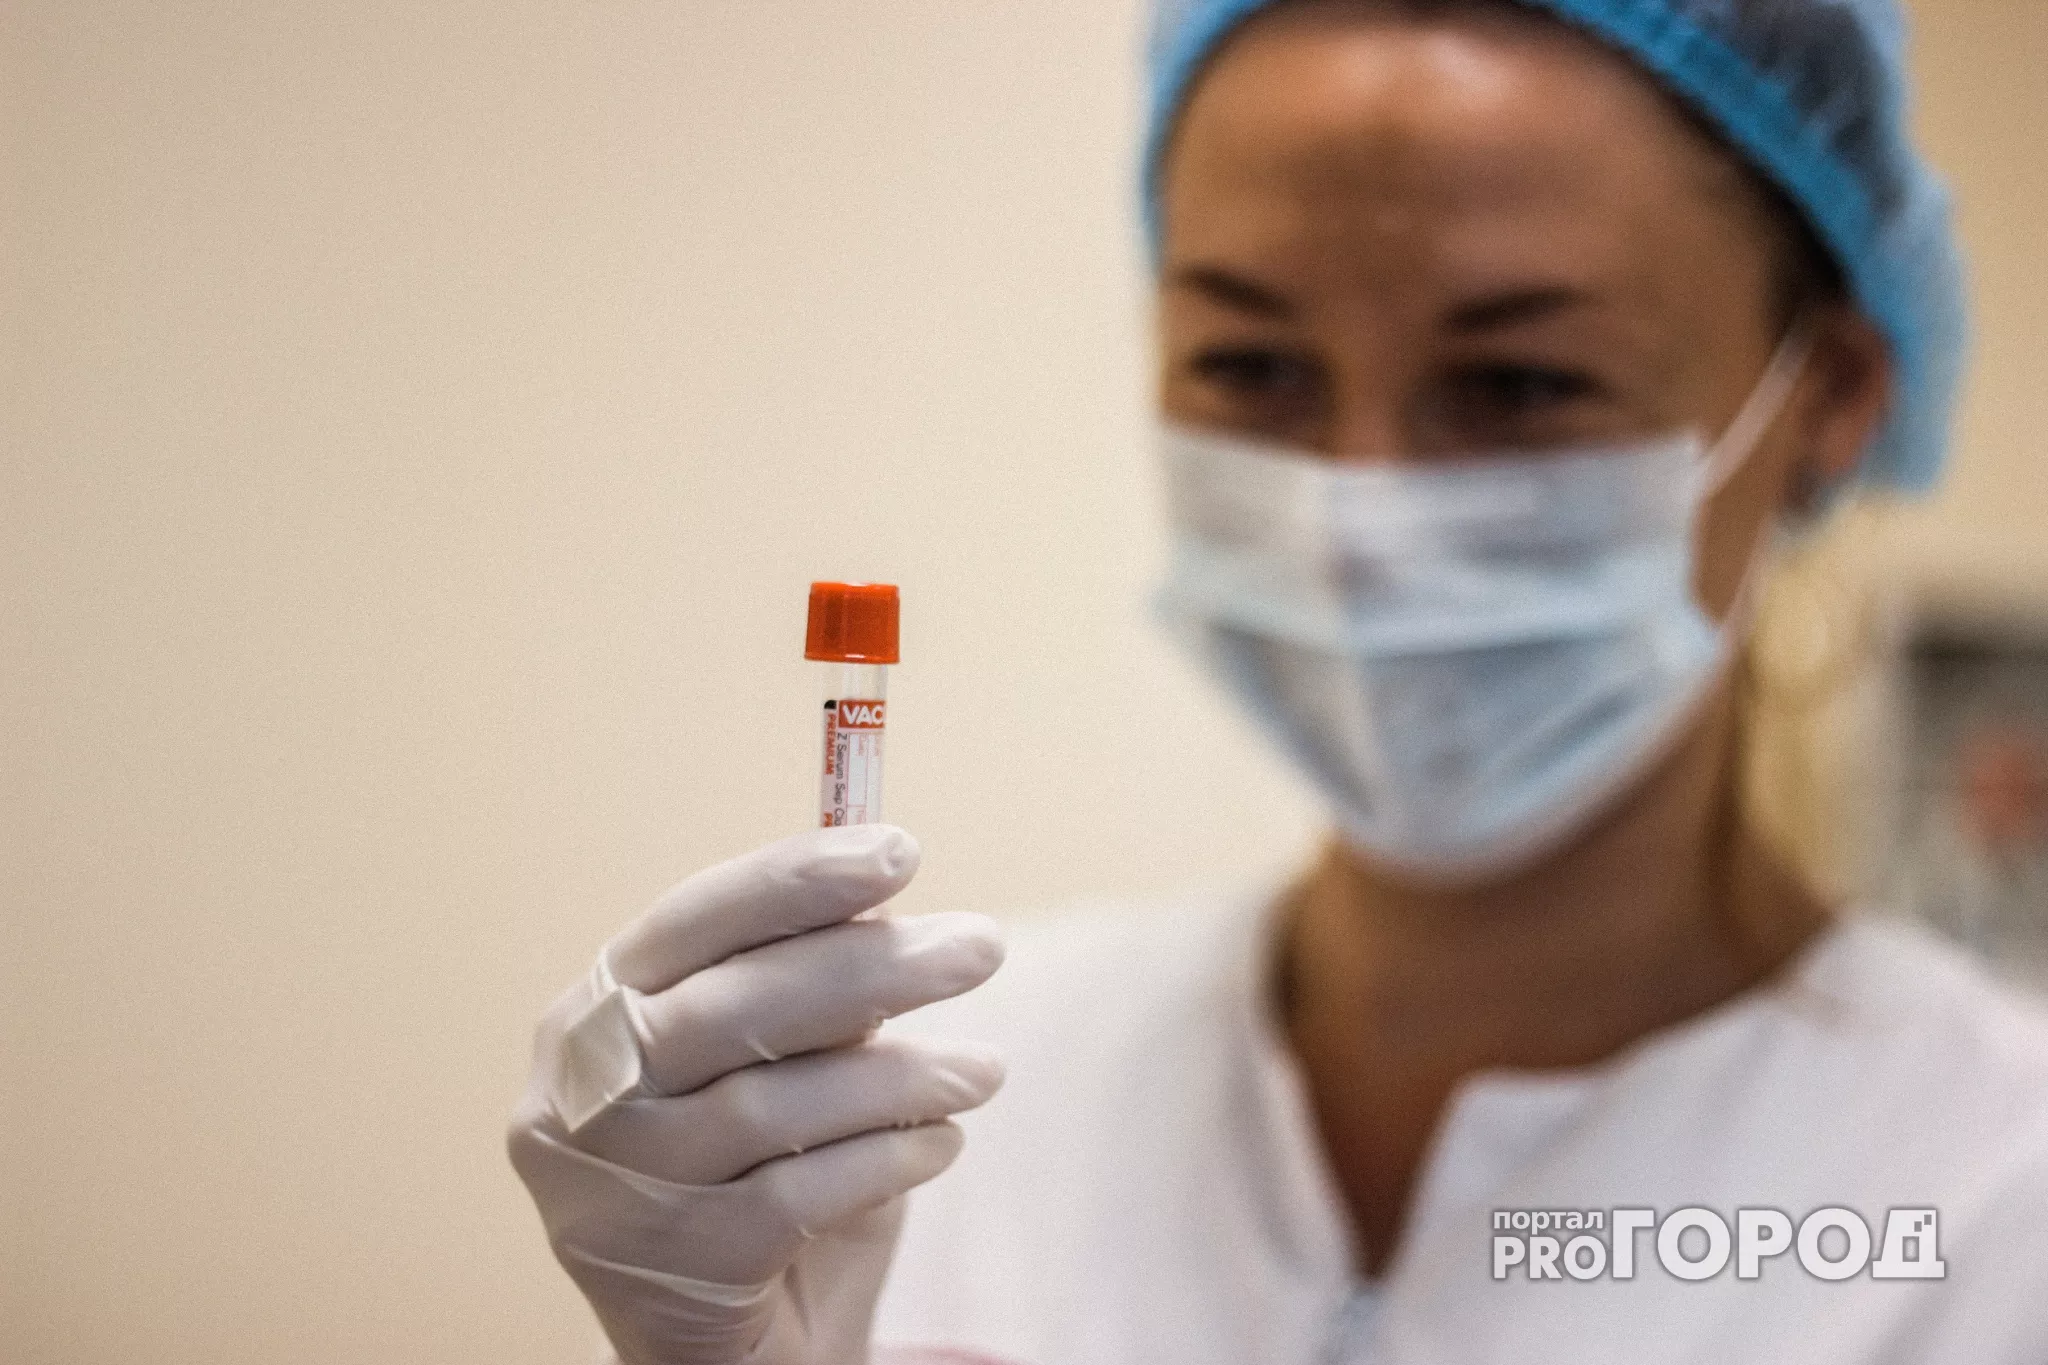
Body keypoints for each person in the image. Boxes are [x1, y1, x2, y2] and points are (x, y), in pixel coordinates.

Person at [507, 1, 2048, 1361]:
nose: (1353, 521)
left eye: (1518, 383)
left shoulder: (1997, 1204)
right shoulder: (922, 1108)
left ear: (1830, 395)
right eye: (1253, 366)